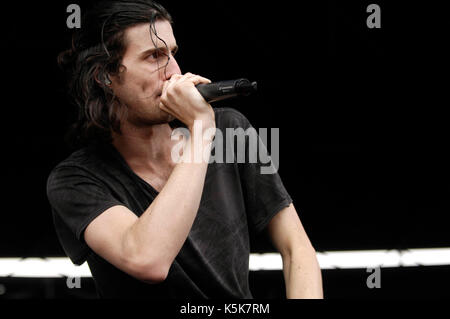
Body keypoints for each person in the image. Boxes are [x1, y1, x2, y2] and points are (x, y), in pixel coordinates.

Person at [47, 0, 323, 299]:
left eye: (172, 54)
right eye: (154, 56)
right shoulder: (76, 180)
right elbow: (148, 260)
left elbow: (297, 249)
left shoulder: (231, 130)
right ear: (105, 76)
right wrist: (202, 128)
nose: (174, 72)